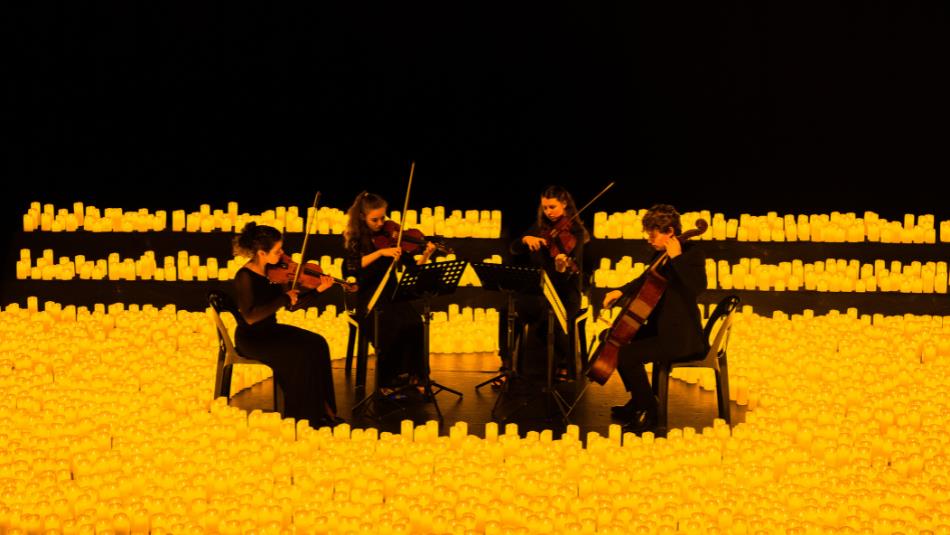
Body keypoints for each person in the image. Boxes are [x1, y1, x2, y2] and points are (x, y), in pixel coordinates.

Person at [600, 204, 707, 433]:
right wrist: (621, 290)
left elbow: (697, 287)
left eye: (653, 234)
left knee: (626, 354)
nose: (649, 239)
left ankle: (649, 412)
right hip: (661, 328)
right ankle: (638, 400)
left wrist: (677, 258)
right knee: (613, 337)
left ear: (669, 232)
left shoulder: (691, 253)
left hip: (680, 336)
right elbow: (645, 278)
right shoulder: (659, 255)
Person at [231, 222, 344, 427]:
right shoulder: (244, 277)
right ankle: (303, 417)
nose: (282, 253)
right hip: (252, 338)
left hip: (271, 331)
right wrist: (283, 299)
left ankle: (323, 409)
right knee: (299, 353)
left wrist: (318, 291)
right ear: (262, 253)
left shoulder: (274, 271)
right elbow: (250, 317)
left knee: (317, 343)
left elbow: (293, 305)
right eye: (277, 250)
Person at [343, 191, 437, 398]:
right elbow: (349, 268)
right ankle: (387, 381)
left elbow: (412, 270)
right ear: (362, 218)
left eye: (382, 218)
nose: (380, 223)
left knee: (415, 323)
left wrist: (426, 254)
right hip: (369, 296)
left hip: (392, 293)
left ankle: (417, 376)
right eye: (374, 219)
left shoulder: (392, 237)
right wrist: (379, 253)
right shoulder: (357, 240)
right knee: (391, 327)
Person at [508, 185, 590, 384]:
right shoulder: (540, 227)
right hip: (540, 291)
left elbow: (573, 271)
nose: (548, 212)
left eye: (552, 207)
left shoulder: (576, 232)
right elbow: (513, 249)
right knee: (507, 310)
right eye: (544, 208)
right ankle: (507, 363)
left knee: (551, 314)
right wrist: (525, 239)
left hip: (566, 293)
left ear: (564, 204)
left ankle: (563, 362)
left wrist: (562, 267)